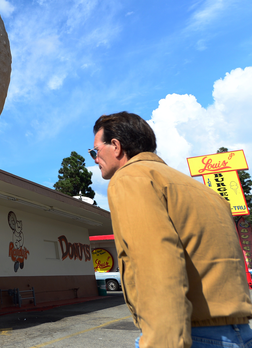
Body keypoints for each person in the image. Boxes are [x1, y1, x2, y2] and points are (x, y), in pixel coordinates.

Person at [90, 112, 252, 348]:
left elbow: (155, 265)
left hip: (193, 335)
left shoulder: (130, 178)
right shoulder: (205, 192)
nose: (95, 158)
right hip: (241, 333)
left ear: (116, 146)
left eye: (95, 150)